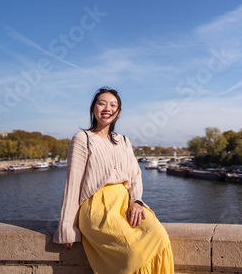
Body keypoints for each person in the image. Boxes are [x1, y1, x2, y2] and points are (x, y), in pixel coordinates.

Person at [53, 87, 174, 273]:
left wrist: (137, 200)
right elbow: (73, 186)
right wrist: (67, 228)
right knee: (132, 253)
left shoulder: (124, 140)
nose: (107, 108)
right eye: (101, 103)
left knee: (160, 237)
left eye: (113, 105)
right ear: (93, 109)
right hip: (96, 208)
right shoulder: (82, 138)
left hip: (126, 203)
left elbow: (135, 175)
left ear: (118, 113)